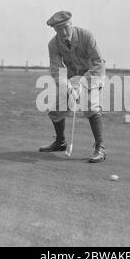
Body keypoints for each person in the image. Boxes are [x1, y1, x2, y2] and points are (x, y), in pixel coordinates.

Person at [39, 11, 106, 163]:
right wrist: (67, 86)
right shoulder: (53, 44)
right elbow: (57, 69)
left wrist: (82, 84)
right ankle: (60, 142)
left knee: (90, 105)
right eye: (58, 29)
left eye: (66, 27)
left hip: (93, 74)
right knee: (56, 110)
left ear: (71, 23)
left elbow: (98, 63)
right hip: (71, 79)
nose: (63, 32)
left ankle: (100, 147)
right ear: (54, 30)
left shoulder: (86, 36)